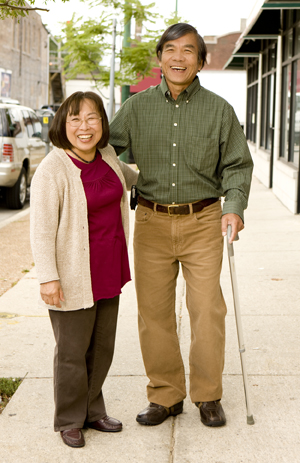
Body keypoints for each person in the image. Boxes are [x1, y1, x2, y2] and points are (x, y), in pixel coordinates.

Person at [109, 23, 253, 428]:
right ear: (159, 58)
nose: (178, 57)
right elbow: (103, 150)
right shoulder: (136, 108)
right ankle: (166, 395)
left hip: (204, 219)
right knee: (152, 312)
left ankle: (208, 395)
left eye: (188, 51)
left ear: (201, 61)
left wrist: (234, 207)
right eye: (170, 50)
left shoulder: (219, 110)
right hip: (152, 222)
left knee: (207, 309)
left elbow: (238, 165)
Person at [30, 91, 138, 448]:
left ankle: (93, 410)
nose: (84, 126)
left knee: (102, 347)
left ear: (102, 124)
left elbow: (131, 180)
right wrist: (48, 277)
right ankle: (69, 419)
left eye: (92, 118)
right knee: (72, 352)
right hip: (74, 273)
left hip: (109, 267)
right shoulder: (53, 169)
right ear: (63, 124)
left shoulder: (107, 156)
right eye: (75, 119)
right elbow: (42, 229)